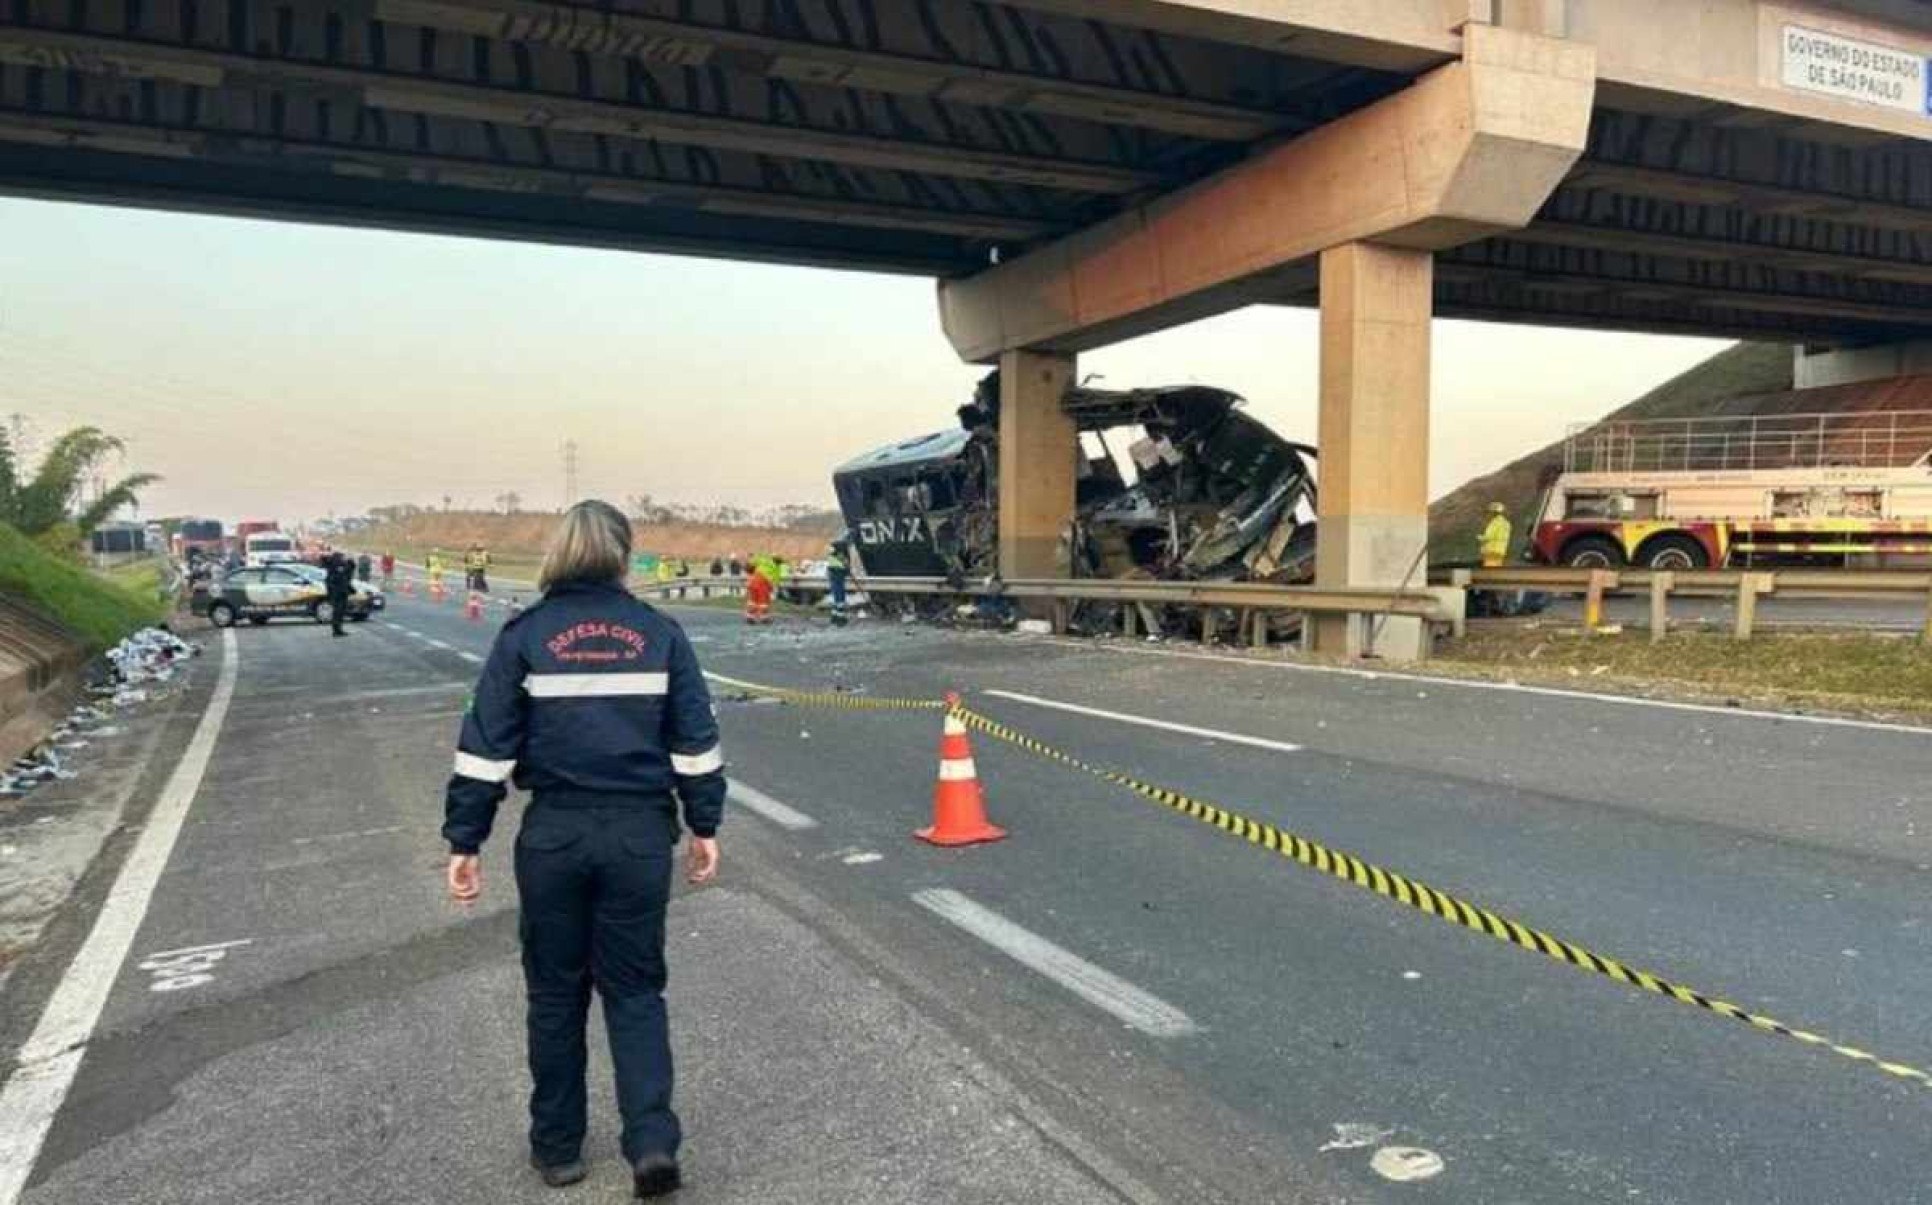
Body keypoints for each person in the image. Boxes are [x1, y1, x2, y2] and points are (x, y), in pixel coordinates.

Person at [443, 499, 723, 1198]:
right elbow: (695, 742)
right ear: (624, 556)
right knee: (634, 989)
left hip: (554, 835)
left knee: (554, 992)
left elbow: (485, 750)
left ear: (558, 553)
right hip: (637, 836)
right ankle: (652, 1141)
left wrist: (465, 838)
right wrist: (705, 825)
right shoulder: (659, 633)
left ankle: (558, 1146)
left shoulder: (525, 635)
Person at [322, 550, 355, 637]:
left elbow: (349, 571)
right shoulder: (335, 566)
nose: (344, 559)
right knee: (338, 611)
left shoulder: (338, 566)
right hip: (337, 592)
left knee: (340, 611)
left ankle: (338, 629)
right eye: (342, 557)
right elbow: (346, 572)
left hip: (340, 592)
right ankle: (337, 630)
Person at [1479, 501, 1513, 568]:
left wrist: (1480, 537)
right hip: (1501, 551)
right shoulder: (1507, 524)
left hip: (1491, 552)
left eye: (1489, 512)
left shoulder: (1494, 523)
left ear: (1493, 513)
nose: (1488, 514)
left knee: (1489, 574)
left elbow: (1488, 537)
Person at [825, 540, 851, 627]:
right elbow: (845, 562)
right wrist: (847, 568)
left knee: (835, 594)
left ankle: (834, 616)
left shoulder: (832, 552)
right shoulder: (840, 551)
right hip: (839, 573)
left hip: (833, 572)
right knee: (840, 594)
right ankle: (841, 618)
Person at [744, 559, 773, 625]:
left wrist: (748, 590)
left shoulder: (751, 576)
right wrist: (771, 588)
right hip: (762, 591)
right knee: (763, 605)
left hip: (754, 590)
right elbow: (767, 581)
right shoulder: (760, 573)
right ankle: (764, 618)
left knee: (752, 603)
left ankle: (750, 617)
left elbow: (748, 584)